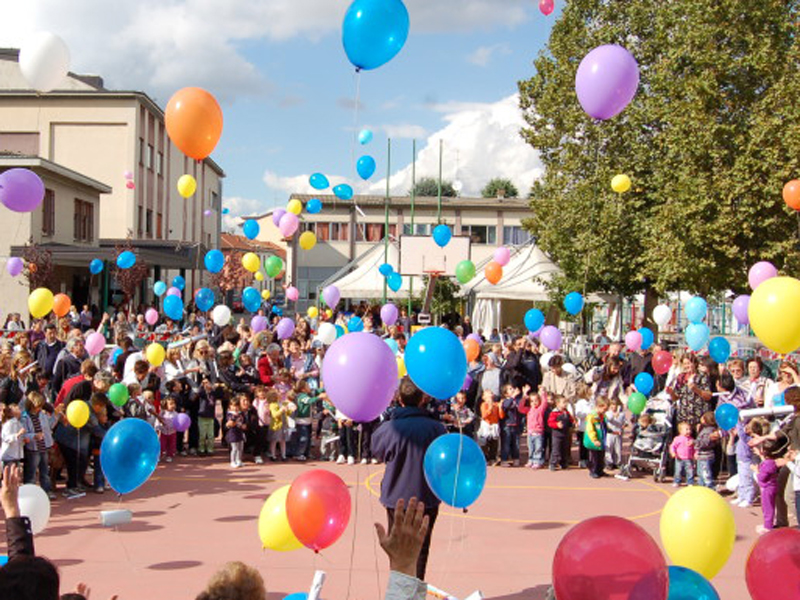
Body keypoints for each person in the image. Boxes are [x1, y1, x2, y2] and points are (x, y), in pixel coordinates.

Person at [371, 377, 446, 581]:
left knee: (398, 548)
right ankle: (414, 590)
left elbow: (377, 450)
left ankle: (401, 588)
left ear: (400, 399)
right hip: (426, 495)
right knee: (421, 549)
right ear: (423, 399)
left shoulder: (389, 428)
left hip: (397, 497)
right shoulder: (436, 428)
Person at [21, 391, 56, 499]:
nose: (39, 409)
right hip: (33, 448)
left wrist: (57, 415)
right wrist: (33, 436)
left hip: (43, 446)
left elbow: (50, 425)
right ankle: (29, 493)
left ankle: (46, 490)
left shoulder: (42, 415)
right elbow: (23, 433)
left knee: (44, 470)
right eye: (37, 406)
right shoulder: (25, 417)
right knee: (31, 472)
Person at [519, 386, 547, 469]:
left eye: (536, 400)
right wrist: (524, 395)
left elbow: (545, 402)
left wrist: (542, 393)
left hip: (538, 433)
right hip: (530, 433)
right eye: (532, 401)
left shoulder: (540, 409)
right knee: (531, 448)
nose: (534, 402)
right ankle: (531, 460)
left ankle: (537, 461)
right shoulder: (528, 410)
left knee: (538, 448)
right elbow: (520, 408)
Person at [583, 398, 608, 479]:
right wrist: (594, 439)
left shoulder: (602, 416)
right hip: (593, 441)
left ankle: (600, 470)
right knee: (594, 457)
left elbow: (604, 427)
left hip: (601, 440)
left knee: (601, 456)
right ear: (599, 406)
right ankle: (593, 470)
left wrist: (611, 431)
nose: (605, 411)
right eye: (604, 409)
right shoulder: (592, 417)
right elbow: (590, 429)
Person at [548, 395, 574, 471]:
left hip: (565, 433)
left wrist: (573, 423)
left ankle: (564, 463)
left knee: (564, 449)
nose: (565, 404)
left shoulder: (566, 412)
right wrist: (556, 425)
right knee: (556, 449)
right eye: (563, 402)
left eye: (566, 402)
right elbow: (550, 423)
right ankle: (553, 463)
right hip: (557, 434)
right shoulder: (554, 413)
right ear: (558, 404)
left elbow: (570, 419)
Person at [499, 383, 522, 467]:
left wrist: (524, 394)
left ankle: (516, 458)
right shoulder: (505, 400)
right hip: (507, 425)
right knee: (506, 443)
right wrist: (512, 397)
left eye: (513, 388)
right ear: (506, 393)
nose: (512, 390)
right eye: (510, 389)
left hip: (516, 425)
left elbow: (521, 407)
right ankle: (504, 459)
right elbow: (507, 405)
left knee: (516, 443)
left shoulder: (517, 400)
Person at [695, 412, 720, 489]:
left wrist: (694, 442)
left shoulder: (708, 431)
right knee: (700, 473)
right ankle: (701, 487)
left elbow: (705, 443)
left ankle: (710, 487)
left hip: (705, 456)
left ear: (706, 420)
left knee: (706, 473)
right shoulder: (705, 429)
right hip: (701, 455)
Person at [478, 390, 501, 465]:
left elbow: (500, 416)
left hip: (494, 425)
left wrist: (500, 408)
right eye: (487, 394)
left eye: (491, 393)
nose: (490, 394)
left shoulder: (496, 405)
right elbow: (484, 416)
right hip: (486, 426)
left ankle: (493, 458)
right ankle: (485, 458)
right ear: (484, 397)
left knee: (494, 442)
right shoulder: (483, 405)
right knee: (484, 442)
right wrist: (489, 409)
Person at [670, 421, 696, 487]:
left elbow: (694, 448)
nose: (689, 431)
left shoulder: (691, 439)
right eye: (686, 429)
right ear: (680, 431)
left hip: (689, 458)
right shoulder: (677, 439)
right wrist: (673, 452)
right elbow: (672, 446)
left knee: (690, 471)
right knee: (678, 471)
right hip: (679, 458)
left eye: (690, 429)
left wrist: (695, 454)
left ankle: (690, 482)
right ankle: (677, 481)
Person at [1, 403, 25, 469]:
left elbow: (20, 439)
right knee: (9, 476)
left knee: (15, 476)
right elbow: (6, 438)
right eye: (17, 409)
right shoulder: (9, 424)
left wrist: (23, 440)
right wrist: (18, 434)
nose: (20, 411)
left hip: (16, 455)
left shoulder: (19, 423)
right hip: (9, 456)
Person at [225, 396, 246, 468]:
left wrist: (244, 425)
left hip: (240, 432)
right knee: (234, 448)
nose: (236, 408)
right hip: (233, 433)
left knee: (240, 447)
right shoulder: (230, 414)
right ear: (230, 406)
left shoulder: (241, 413)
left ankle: (239, 460)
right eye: (233, 406)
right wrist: (234, 418)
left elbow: (244, 421)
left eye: (237, 406)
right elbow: (230, 422)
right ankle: (232, 461)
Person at [604, 398, 625, 470]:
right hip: (610, 433)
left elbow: (624, 422)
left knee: (618, 449)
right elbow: (609, 419)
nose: (614, 407)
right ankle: (609, 462)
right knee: (609, 448)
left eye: (616, 405)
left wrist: (624, 425)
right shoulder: (608, 413)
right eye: (612, 405)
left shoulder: (621, 414)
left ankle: (617, 462)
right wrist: (614, 415)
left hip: (618, 434)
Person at [158, 397, 179, 463]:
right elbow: (158, 420)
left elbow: (178, 421)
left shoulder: (176, 413)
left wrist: (178, 426)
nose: (173, 405)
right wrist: (158, 427)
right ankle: (159, 455)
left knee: (171, 444)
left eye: (174, 404)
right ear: (166, 405)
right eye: (171, 404)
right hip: (164, 432)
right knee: (162, 444)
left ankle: (169, 455)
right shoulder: (162, 413)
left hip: (172, 432)